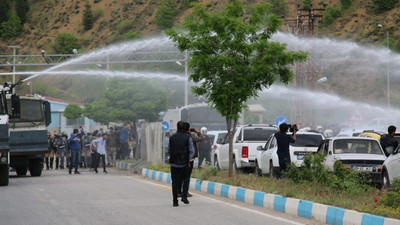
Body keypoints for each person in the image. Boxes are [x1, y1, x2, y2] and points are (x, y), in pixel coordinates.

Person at [169, 121, 194, 207]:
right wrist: (188, 160)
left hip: (173, 163)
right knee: (186, 179)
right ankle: (184, 196)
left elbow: (169, 150)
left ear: (177, 128)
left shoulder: (171, 137)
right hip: (184, 163)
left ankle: (175, 201)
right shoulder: (188, 138)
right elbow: (192, 151)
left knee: (174, 182)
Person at [179, 122, 204, 198]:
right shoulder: (191, 136)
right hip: (189, 159)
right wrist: (198, 132)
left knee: (181, 176)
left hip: (180, 159)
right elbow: (201, 138)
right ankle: (185, 192)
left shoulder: (180, 136)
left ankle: (179, 191)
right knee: (187, 176)